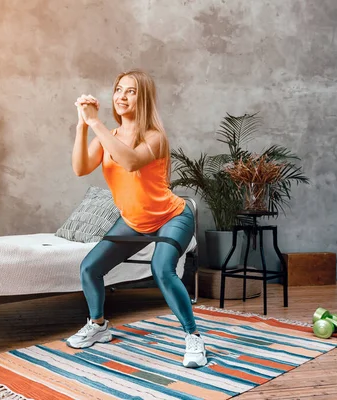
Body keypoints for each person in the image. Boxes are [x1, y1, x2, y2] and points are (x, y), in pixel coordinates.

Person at [66, 69, 207, 368]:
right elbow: (80, 168)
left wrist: (95, 122)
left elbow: (129, 161)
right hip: (133, 221)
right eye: (118, 89)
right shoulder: (109, 136)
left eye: (130, 91)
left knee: (162, 268)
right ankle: (99, 325)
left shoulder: (154, 137)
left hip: (172, 216)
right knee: (90, 267)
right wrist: (81, 125)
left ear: (143, 99)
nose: (121, 96)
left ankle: (193, 337)